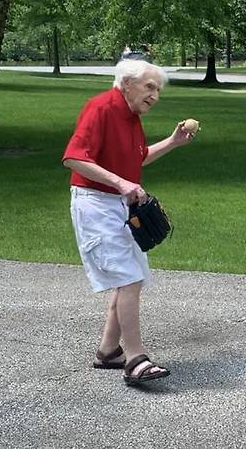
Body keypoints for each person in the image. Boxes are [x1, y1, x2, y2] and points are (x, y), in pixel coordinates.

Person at [62, 59, 196, 385]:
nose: (155, 96)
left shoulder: (132, 116)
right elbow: (74, 157)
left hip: (119, 206)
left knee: (131, 277)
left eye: (158, 90)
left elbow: (136, 158)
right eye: (150, 87)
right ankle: (136, 358)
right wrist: (122, 184)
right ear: (126, 83)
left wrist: (173, 142)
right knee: (128, 277)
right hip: (95, 204)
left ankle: (109, 351)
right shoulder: (102, 108)